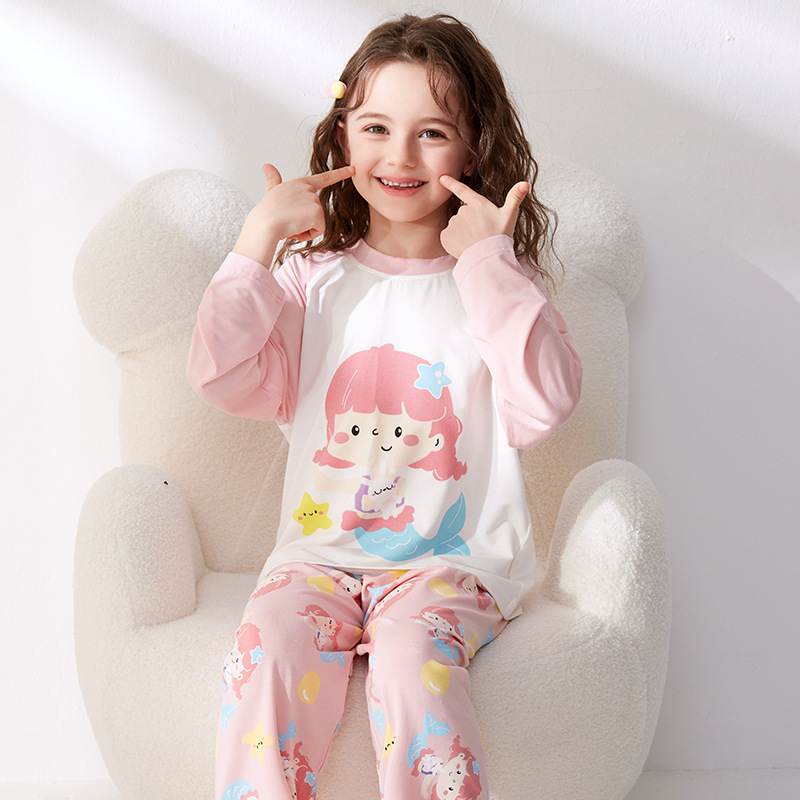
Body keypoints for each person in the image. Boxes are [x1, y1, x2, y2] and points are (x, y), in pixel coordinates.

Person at [188, 13, 582, 800]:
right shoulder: (311, 281)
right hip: (317, 561)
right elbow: (219, 374)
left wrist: (489, 261)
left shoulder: (494, 284)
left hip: (452, 565)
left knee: (409, 660)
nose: (400, 157)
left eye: (432, 133)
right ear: (342, 136)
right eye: (375, 127)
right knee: (265, 651)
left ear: (474, 149)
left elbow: (543, 405)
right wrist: (256, 242)